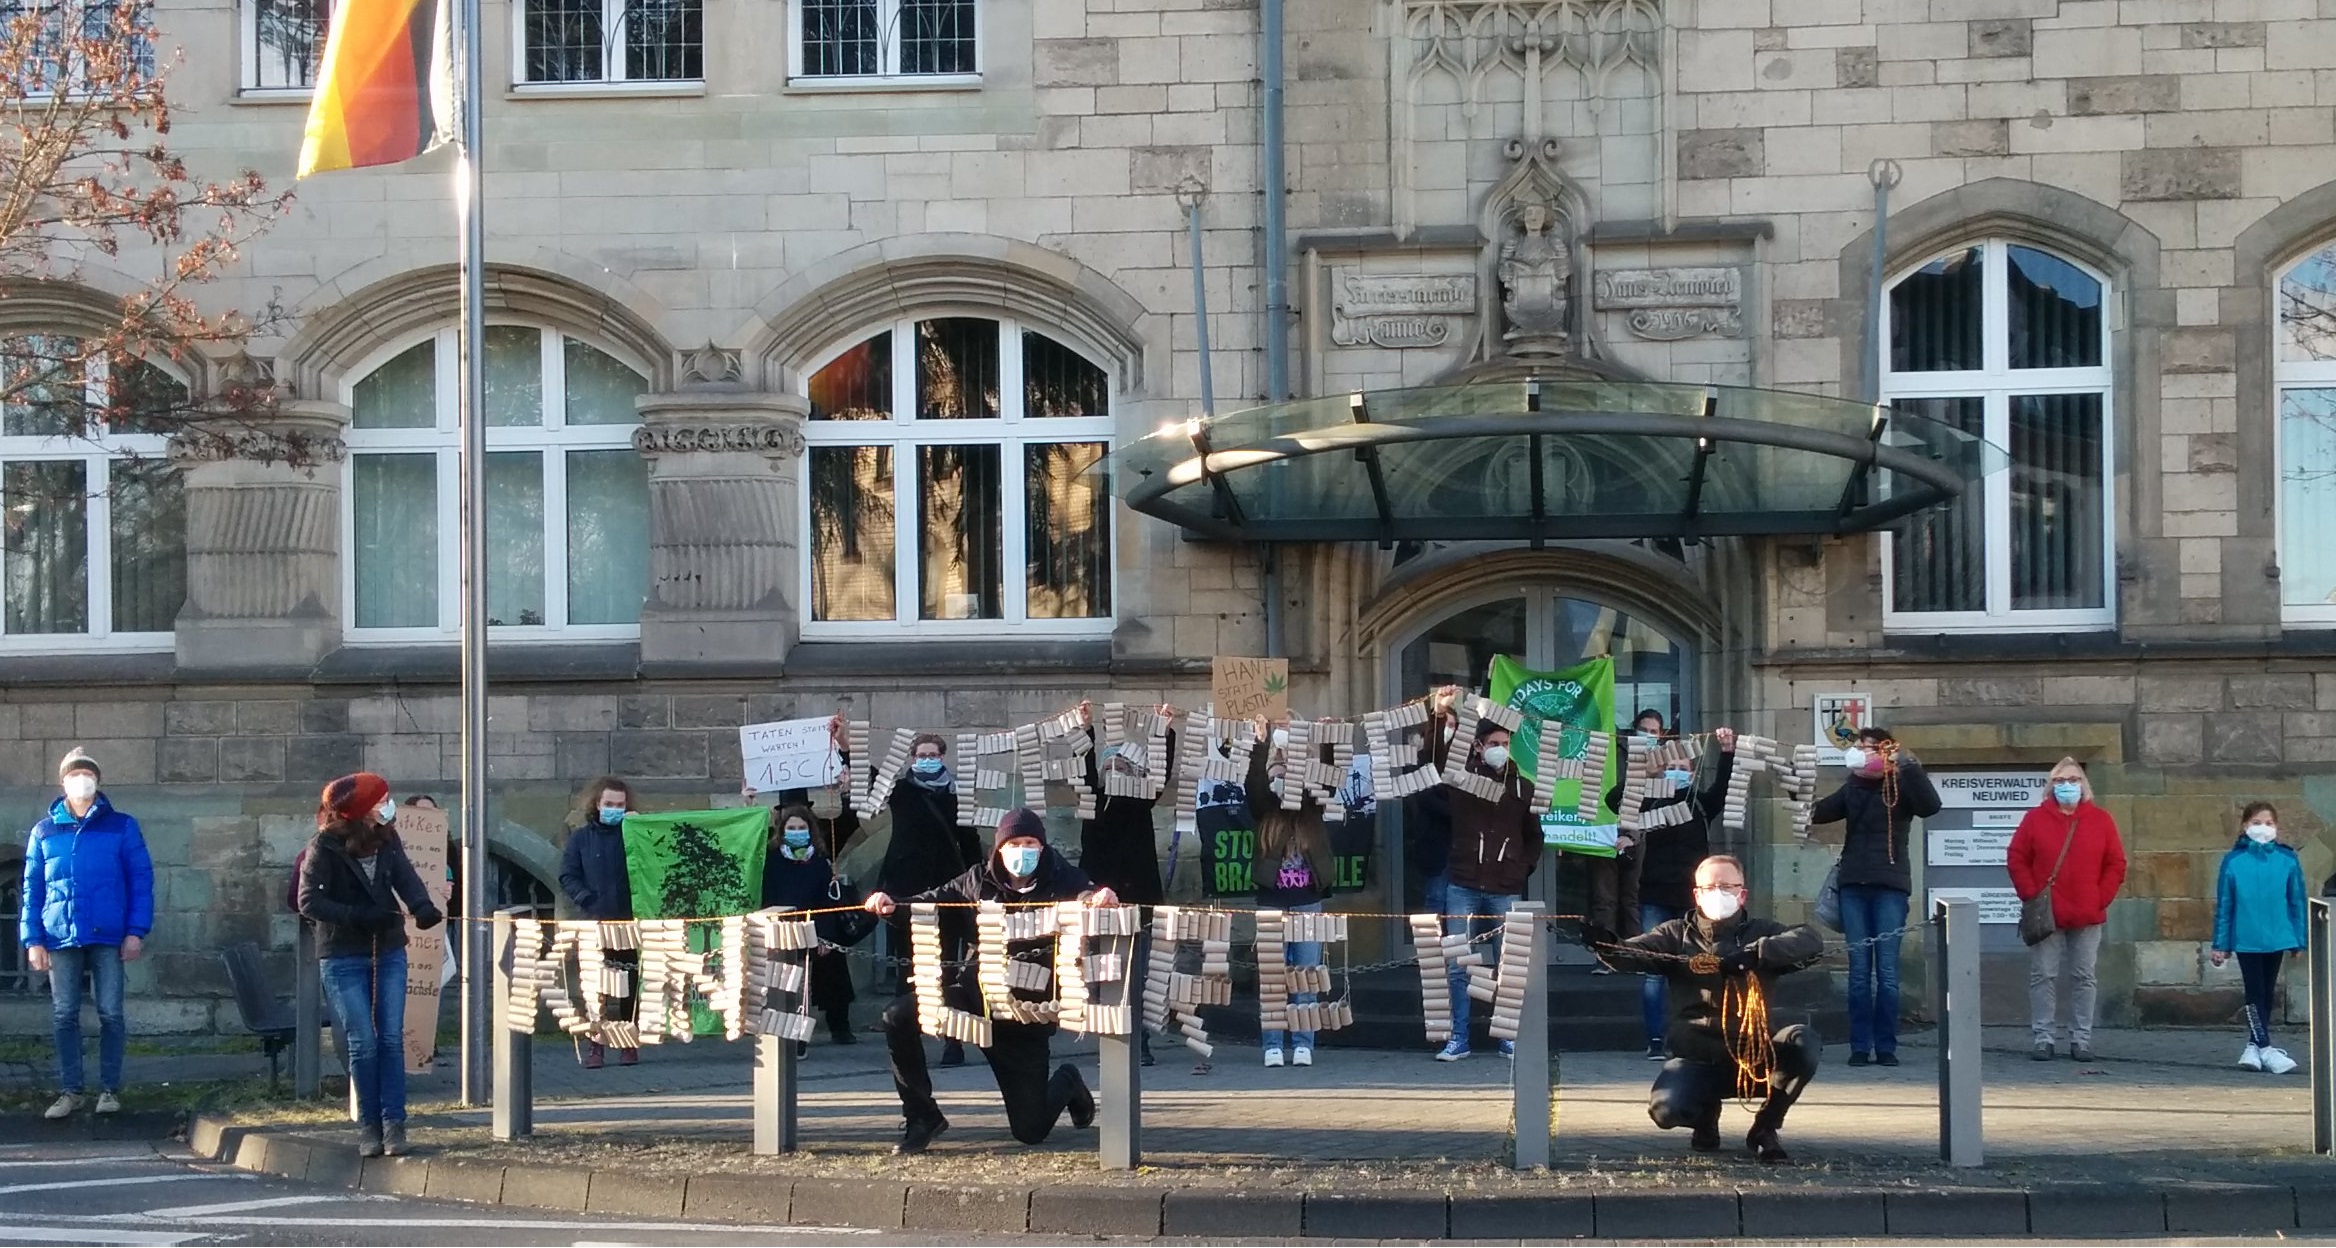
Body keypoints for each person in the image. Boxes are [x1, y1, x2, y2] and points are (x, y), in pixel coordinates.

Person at [862, 808, 1115, 1155]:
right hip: (973, 996)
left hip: (1025, 1016)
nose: (1021, 851)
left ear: (1041, 847)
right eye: (1014, 843)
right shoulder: (977, 880)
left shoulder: (1062, 876)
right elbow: (933, 901)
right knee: (897, 1015)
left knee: (1030, 1130)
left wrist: (1098, 898)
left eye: (1029, 843)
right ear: (999, 848)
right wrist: (892, 905)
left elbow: (1086, 894)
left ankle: (1068, 1081)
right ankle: (923, 1116)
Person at [1583, 854, 1825, 1163]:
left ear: (1742, 894)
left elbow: (1809, 938)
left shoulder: (1761, 931)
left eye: (1726, 885)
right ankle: (1705, 1118)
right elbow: (1634, 952)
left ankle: (1766, 1127)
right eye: (1709, 886)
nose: (1717, 892)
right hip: (1696, 1057)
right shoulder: (1674, 933)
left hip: (1752, 1054)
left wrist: (1757, 954)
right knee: (1666, 1110)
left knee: (1804, 1043)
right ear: (1697, 894)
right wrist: (1606, 944)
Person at [297, 772, 444, 1158]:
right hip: (343, 954)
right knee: (363, 1042)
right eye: (381, 801)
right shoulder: (323, 847)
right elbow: (308, 901)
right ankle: (369, 1126)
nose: (387, 806)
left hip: (389, 947)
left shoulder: (387, 837)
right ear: (360, 811)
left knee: (390, 1039)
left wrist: (422, 907)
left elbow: (405, 877)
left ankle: (395, 1124)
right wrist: (359, 915)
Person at [833, 720, 983, 1067]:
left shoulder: (960, 795)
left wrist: (977, 885)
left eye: (933, 755)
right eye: (921, 755)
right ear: (912, 758)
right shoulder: (902, 790)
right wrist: (845, 745)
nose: (927, 759)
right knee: (909, 967)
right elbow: (868, 776)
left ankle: (952, 1040)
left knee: (948, 967)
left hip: (949, 892)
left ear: (943, 757)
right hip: (906, 892)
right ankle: (905, 1037)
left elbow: (971, 843)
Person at [20, 747, 153, 1120]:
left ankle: (109, 1090)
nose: (82, 780)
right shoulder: (44, 830)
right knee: (64, 1014)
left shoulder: (122, 825)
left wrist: (135, 931)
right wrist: (33, 939)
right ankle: (71, 1091)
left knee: (110, 1012)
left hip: (109, 934)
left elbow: (140, 879)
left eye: (88, 773)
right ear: (62, 782)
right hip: (60, 934)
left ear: (98, 781)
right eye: (75, 774)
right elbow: (33, 887)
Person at [1807, 725, 1940, 1068]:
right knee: (1859, 972)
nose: (1863, 752)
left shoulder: (1899, 783)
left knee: (1888, 972)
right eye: (1860, 746)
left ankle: (1886, 1046)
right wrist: (1799, 787)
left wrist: (1908, 765)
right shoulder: (1853, 785)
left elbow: (1930, 806)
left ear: (1884, 750)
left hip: (1890, 886)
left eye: (1870, 747)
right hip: (1853, 884)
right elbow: (1819, 812)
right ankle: (1859, 1046)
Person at [1607, 725, 1737, 1060]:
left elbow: (1722, 788)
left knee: (1698, 966)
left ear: (1692, 773)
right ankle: (1655, 1039)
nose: (1678, 773)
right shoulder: (1651, 801)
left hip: (1694, 898)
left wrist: (1727, 752)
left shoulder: (1701, 804)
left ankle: (1695, 1034)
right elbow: (1614, 799)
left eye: (1684, 768)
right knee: (1654, 971)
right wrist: (1646, 773)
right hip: (1654, 894)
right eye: (1672, 768)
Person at [2007, 757, 2127, 1062]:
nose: (2067, 786)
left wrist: (2101, 897)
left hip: (2088, 913)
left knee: (2084, 976)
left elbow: (2115, 863)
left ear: (2084, 785)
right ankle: (2043, 1038)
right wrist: (2030, 893)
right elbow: (2017, 856)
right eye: (2060, 781)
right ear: (2051, 786)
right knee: (2043, 974)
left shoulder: (2101, 820)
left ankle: (2080, 1039)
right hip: (2047, 912)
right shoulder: (2035, 819)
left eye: (2073, 780)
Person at [1436, 715, 1537, 1061]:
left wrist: (1520, 869)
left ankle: (1507, 1037)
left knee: (1508, 963)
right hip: (1463, 883)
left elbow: (1534, 835)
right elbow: (1439, 764)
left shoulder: (1523, 786)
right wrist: (1440, 719)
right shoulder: (1464, 780)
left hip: (1503, 886)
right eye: (1493, 744)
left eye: (1505, 745)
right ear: (1479, 746)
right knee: (1457, 963)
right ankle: (1458, 1037)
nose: (1500, 750)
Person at [1080, 707, 1172, 1067]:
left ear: (1134, 773)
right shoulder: (1093, 802)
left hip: (1139, 900)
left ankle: (1140, 1040)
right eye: (1110, 767)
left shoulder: (1140, 801)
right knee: (1104, 972)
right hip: (1102, 901)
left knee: (1140, 973)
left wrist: (1163, 732)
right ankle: (1109, 1037)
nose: (1115, 771)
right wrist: (1086, 732)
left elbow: (1161, 778)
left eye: (1122, 766)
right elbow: (1085, 773)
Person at [1249, 719, 1335, 1069]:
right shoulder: (1264, 808)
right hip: (1272, 904)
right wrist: (1262, 743)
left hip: (1307, 904)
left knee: (1306, 976)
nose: (1283, 775)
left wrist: (1324, 743)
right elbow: (1253, 783)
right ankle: (1272, 1044)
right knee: (1273, 978)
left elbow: (1328, 780)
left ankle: (1303, 1044)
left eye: (1289, 770)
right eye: (1278, 770)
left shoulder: (1310, 808)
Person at [2211, 801, 2306, 1074]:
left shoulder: (2287, 860)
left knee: (2267, 992)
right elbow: (2225, 905)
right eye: (2256, 823)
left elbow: (2296, 902)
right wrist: (2221, 944)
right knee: (2254, 992)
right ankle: (2264, 1046)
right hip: (2247, 937)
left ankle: (2254, 1046)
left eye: (2269, 823)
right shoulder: (2233, 861)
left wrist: (2299, 939)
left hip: (2277, 936)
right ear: (2244, 826)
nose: (2263, 828)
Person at [761, 803, 859, 1051]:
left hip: (812, 929)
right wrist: (748, 802)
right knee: (783, 986)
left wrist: (825, 936)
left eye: (801, 827)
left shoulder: (819, 862)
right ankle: (785, 1036)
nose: (796, 832)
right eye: (791, 827)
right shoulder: (771, 859)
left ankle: (814, 1033)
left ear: (810, 830)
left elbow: (827, 900)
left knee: (808, 984)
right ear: (782, 831)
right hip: (780, 929)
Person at [558, 775, 640, 1069]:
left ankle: (629, 1043)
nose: (614, 809)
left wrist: (638, 828)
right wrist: (587, 899)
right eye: (609, 804)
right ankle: (597, 1045)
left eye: (620, 805)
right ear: (597, 803)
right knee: (596, 988)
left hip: (629, 922)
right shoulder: (581, 838)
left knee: (630, 984)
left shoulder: (634, 833)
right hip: (595, 921)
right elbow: (567, 874)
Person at [1584, 709, 1670, 971]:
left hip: (1639, 835)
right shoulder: (1615, 753)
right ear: (1633, 731)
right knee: (1604, 899)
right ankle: (1606, 958)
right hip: (1604, 830)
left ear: (1662, 735)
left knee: (1631, 899)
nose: (1648, 735)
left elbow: (1655, 806)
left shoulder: (1664, 763)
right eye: (1643, 730)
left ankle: (1634, 956)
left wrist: (1634, 836)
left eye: (1653, 732)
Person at [1405, 691, 1458, 918]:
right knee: (1436, 899)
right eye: (1446, 724)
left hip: (1463, 848)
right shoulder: (1422, 761)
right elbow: (1424, 796)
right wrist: (1461, 811)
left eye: (1454, 725)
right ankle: (1433, 952)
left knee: (1458, 905)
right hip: (1436, 846)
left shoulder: (1464, 760)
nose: (1450, 729)